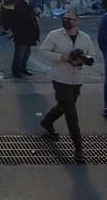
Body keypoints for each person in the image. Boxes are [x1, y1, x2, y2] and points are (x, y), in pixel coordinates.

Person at [39, 10, 94, 164]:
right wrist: (62, 58)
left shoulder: (85, 38)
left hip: (76, 79)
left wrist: (81, 60)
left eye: (69, 19)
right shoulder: (54, 35)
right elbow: (43, 51)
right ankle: (78, 148)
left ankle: (47, 121)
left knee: (64, 106)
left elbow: (92, 56)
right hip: (60, 78)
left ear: (77, 21)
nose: (66, 21)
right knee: (71, 113)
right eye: (64, 18)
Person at [10, 0, 39, 78]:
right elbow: (22, 20)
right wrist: (33, 17)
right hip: (22, 34)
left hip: (28, 33)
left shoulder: (26, 2)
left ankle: (23, 68)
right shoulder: (20, 4)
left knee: (26, 52)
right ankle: (16, 70)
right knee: (19, 53)